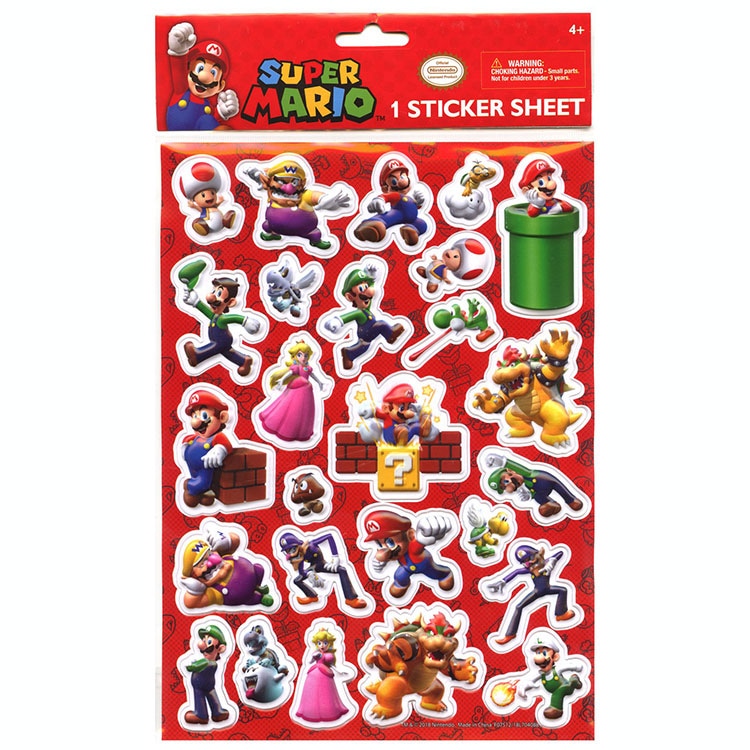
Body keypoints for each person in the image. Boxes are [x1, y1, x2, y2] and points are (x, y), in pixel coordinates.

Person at [165, 22, 239, 130]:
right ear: (187, 71)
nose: (204, 77)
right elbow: (178, 70)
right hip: (176, 137)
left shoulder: (208, 105)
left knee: (207, 120)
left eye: (213, 72)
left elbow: (209, 122)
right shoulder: (181, 90)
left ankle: (225, 139)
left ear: (220, 86)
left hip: (202, 138)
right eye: (200, 68)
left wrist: (221, 112)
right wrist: (178, 51)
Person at [257, 341, 324, 442]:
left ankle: (300, 430)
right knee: (289, 406)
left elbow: (312, 375)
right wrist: (282, 380)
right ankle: (284, 427)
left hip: (307, 391)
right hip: (297, 387)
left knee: (304, 411)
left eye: (306, 355)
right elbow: (289, 373)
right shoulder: (297, 367)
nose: (303, 358)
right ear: (295, 356)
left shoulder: (307, 368)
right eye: (300, 355)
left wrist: (319, 382)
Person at [295, 628, 351, 723]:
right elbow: (310, 662)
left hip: (325, 673)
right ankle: (310, 709)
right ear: (316, 644)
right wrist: (313, 657)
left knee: (326, 693)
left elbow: (332, 665)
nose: (322, 645)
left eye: (325, 643)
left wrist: (340, 672)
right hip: (313, 673)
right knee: (311, 692)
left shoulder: (329, 655)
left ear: (329, 643)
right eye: (319, 643)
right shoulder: (315, 653)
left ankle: (328, 710)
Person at [183, 625, 231, 726]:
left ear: (220, 648)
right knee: (211, 695)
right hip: (209, 684)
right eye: (204, 641)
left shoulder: (206, 662)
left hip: (200, 685)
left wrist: (190, 667)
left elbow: (194, 667)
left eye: (208, 642)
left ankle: (201, 715)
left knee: (199, 696)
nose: (202, 646)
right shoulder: (213, 664)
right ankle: (218, 712)